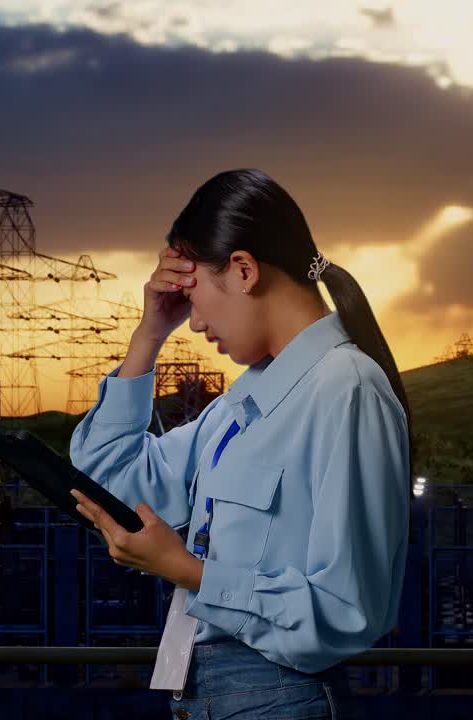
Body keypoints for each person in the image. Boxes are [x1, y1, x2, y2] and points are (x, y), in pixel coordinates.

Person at [69, 168, 412, 719]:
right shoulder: (240, 405)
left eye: (194, 293)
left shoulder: (346, 390)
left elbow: (348, 610)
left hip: (276, 695)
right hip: (207, 694)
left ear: (244, 269)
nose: (195, 321)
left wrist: (187, 571)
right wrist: (148, 334)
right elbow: (110, 480)